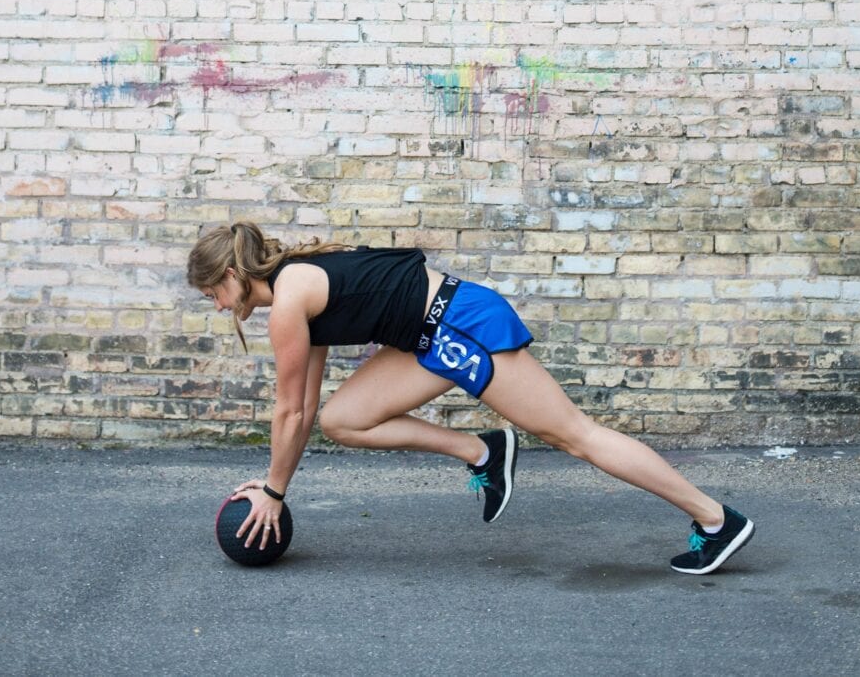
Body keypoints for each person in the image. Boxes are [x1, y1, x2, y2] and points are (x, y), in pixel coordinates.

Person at [187, 221, 755, 575]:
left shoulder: (288, 300)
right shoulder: (293, 286)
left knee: (574, 436)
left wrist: (275, 493)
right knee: (345, 419)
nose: (217, 305)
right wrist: (269, 487)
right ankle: (483, 451)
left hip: (460, 325)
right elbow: (305, 411)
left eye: (214, 291)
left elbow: (287, 412)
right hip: (432, 336)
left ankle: (715, 520)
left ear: (235, 273)